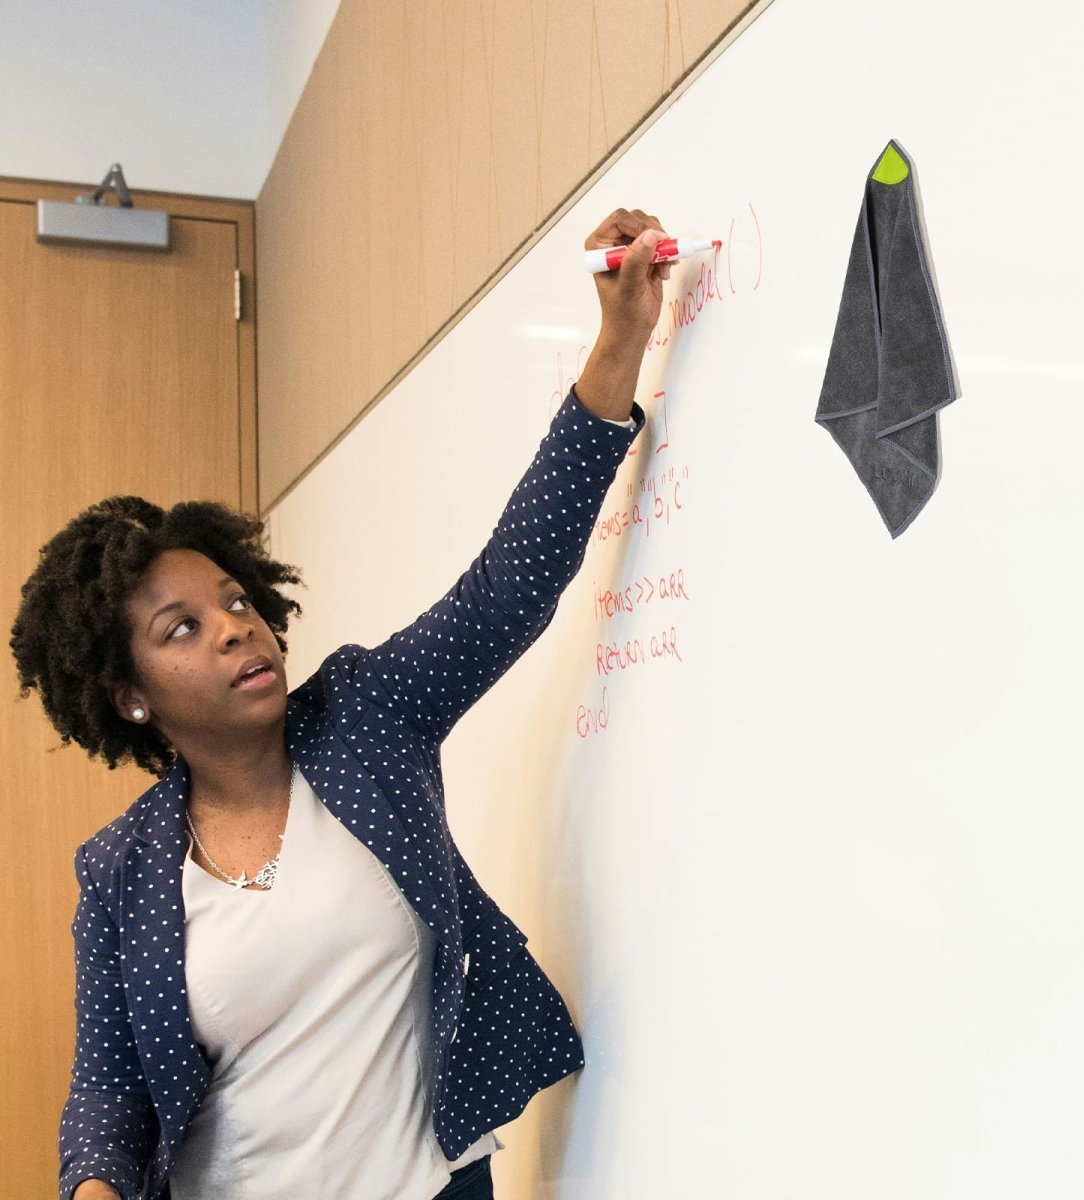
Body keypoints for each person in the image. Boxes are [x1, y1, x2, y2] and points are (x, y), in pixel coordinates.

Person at [11, 208, 672, 1200]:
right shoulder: (120, 873)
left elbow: (506, 590)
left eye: (235, 602)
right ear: (128, 696)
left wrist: (621, 340)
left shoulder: (366, 719)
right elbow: (106, 1096)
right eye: (181, 629)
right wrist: (96, 1187)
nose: (235, 628)